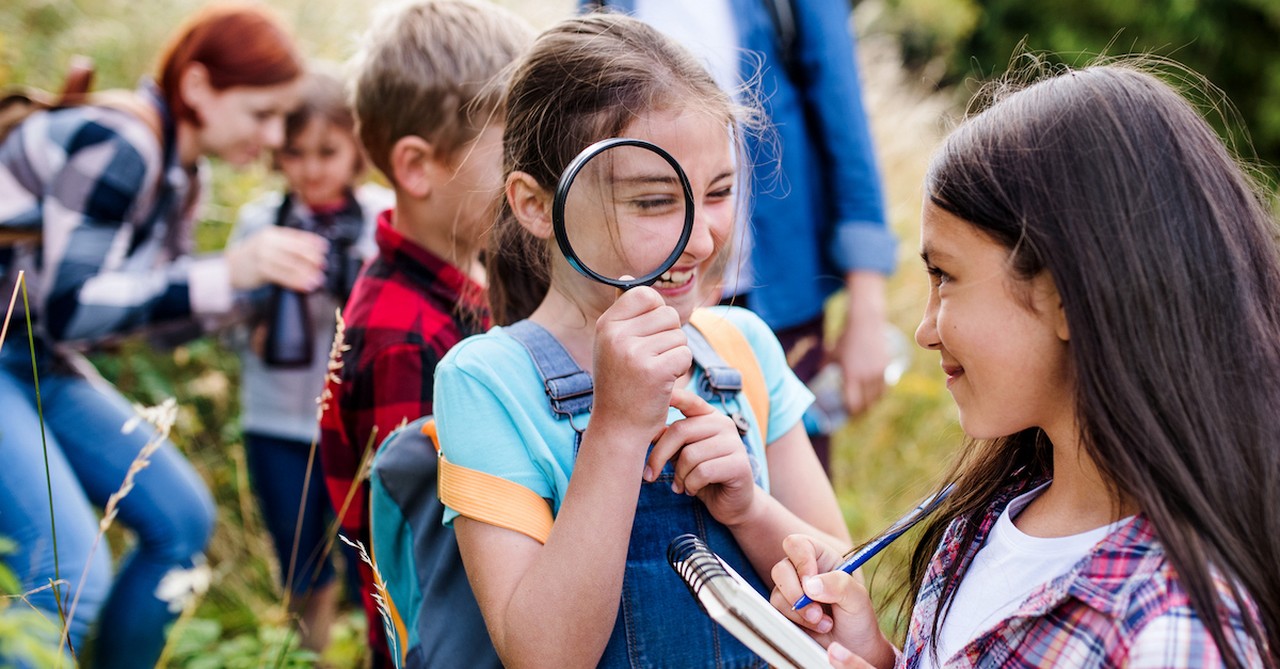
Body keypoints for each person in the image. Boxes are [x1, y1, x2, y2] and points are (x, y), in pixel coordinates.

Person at [769, 62, 1280, 668]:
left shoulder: (1177, 630)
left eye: (946, 277)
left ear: (1067, 296)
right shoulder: (987, 517)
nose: (924, 329)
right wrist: (875, 656)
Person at [432, 13, 851, 667]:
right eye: (655, 201)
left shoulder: (744, 350)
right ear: (536, 205)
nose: (703, 238)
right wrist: (617, 429)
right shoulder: (486, 381)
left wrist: (748, 508)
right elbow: (542, 656)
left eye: (719, 193)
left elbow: (848, 615)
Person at [0, 4, 317, 668]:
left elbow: (154, 327)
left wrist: (252, 290)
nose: (273, 135)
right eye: (261, 112)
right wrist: (221, 272)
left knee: (180, 521)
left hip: (35, 358)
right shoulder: (126, 143)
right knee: (67, 575)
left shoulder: (182, 173)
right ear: (199, 86)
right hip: (20, 346)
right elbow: (69, 307)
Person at [583, 0, 898, 468]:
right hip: (652, 294)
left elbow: (844, 118)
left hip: (778, 299)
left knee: (789, 486)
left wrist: (867, 305)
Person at [314, 1, 532, 665]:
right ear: (416, 167)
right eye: (514, 150)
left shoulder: (468, 286)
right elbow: (424, 550)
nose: (535, 177)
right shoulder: (402, 338)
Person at [227, 66, 391, 654]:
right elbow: (226, 322)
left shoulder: (379, 220)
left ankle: (379, 654)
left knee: (370, 568)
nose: (313, 168)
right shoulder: (261, 223)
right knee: (301, 563)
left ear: (356, 150)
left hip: (357, 424)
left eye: (328, 151)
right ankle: (312, 658)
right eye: (295, 153)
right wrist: (261, 322)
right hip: (276, 420)